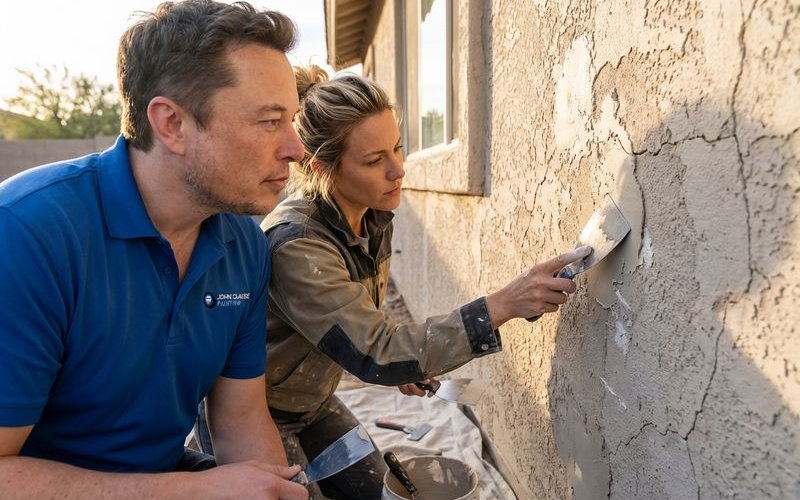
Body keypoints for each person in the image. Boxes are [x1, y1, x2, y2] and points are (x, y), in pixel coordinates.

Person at [0, 1, 309, 498]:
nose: (295, 147)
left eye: (291, 120)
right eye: (271, 121)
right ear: (171, 124)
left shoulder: (244, 246)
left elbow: (241, 420)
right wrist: (195, 491)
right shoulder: (27, 233)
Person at [259, 66, 591, 499]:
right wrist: (503, 304)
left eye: (397, 148)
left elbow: (364, 329)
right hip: (261, 411)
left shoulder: (370, 216)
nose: (398, 170)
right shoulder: (297, 246)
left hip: (314, 401)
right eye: (375, 160)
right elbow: (375, 350)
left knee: (377, 491)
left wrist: (404, 366)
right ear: (322, 169)